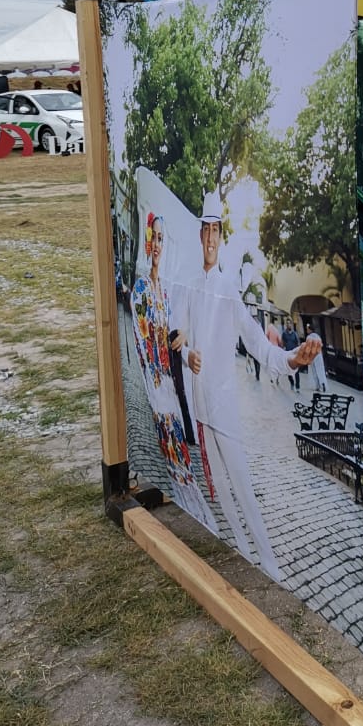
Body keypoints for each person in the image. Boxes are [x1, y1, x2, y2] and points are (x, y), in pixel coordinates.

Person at [174, 194, 322, 581]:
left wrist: (292, 359)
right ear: (199, 235)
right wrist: (187, 352)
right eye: (204, 230)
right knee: (220, 488)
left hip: (224, 407)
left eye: (215, 230)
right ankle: (239, 549)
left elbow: (257, 344)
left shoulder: (227, 291)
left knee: (242, 485)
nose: (209, 237)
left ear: (221, 238)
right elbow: (177, 337)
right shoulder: (189, 286)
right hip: (200, 408)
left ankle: (269, 564)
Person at [130, 213, 217, 533]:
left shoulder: (165, 291)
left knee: (182, 458)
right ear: (146, 241)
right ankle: (192, 512)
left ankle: (197, 512)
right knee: (174, 454)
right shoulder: (141, 289)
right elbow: (145, 348)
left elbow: (173, 336)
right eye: (153, 238)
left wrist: (183, 343)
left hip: (170, 385)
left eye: (162, 239)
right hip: (158, 390)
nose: (157, 245)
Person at [281, 319, 302, 390]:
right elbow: (283, 343)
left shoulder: (295, 334)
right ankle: (292, 382)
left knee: (296, 371)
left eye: (289, 324)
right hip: (288, 354)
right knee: (288, 370)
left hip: (295, 354)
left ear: (292, 325)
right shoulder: (284, 334)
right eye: (287, 324)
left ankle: (298, 386)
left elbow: (298, 344)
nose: (288, 325)